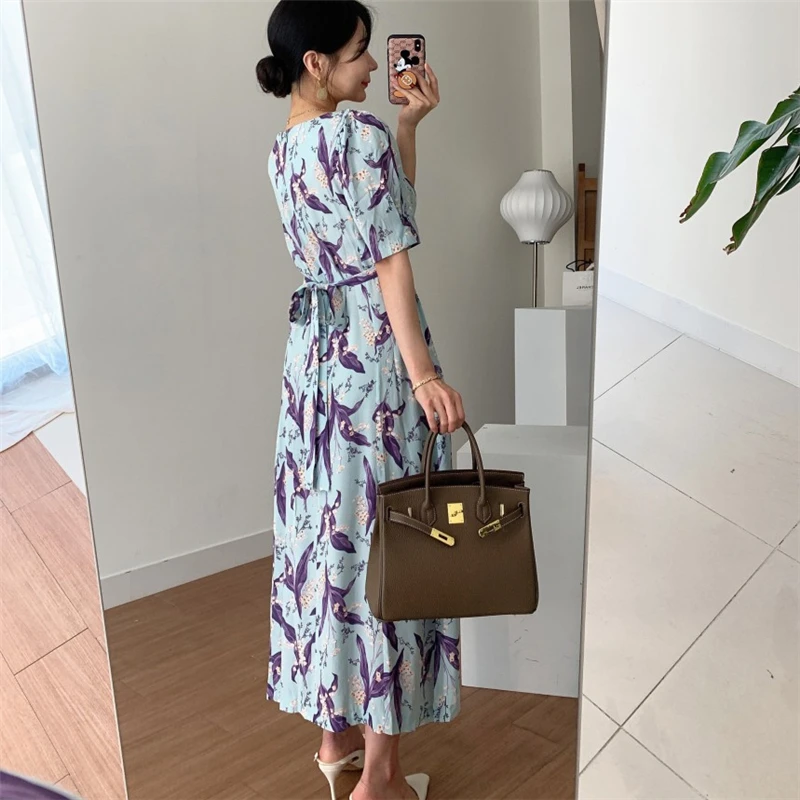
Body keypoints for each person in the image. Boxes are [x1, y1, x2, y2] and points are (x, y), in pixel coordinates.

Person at [256, 2, 466, 799]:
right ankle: (380, 777)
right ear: (316, 62)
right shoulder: (357, 136)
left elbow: (379, 219)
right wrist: (424, 376)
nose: (376, 65)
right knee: (392, 547)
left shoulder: (283, 151)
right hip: (375, 359)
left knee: (329, 538)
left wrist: (409, 127)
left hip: (314, 364)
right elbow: (389, 258)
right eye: (360, 52)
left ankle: (335, 741)